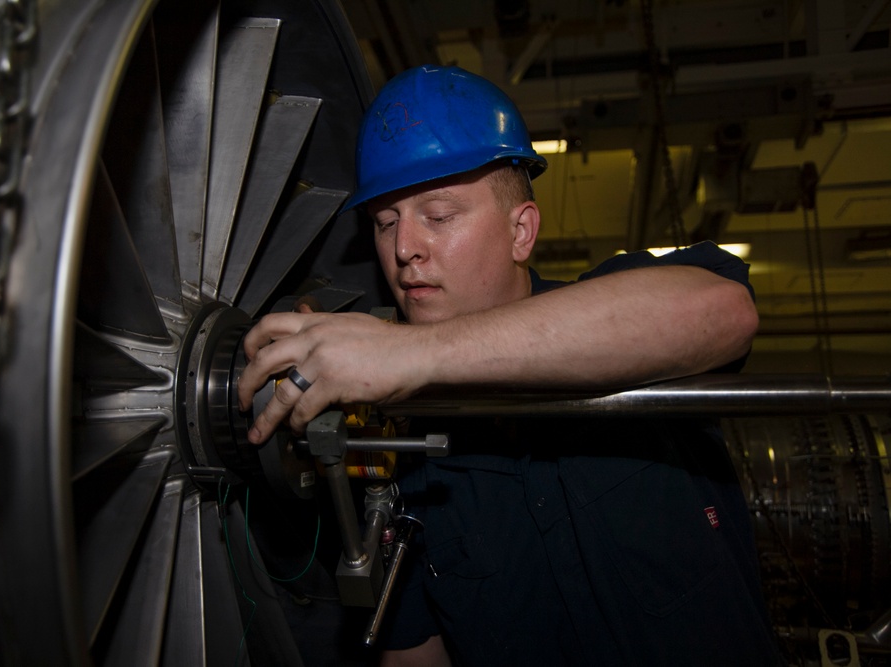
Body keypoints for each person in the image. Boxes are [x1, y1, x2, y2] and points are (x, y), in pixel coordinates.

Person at [237, 65, 781, 666]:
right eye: (385, 223)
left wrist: (411, 353)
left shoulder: (625, 301)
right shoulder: (398, 465)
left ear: (521, 232)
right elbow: (415, 653)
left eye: (438, 215)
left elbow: (724, 312)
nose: (402, 248)